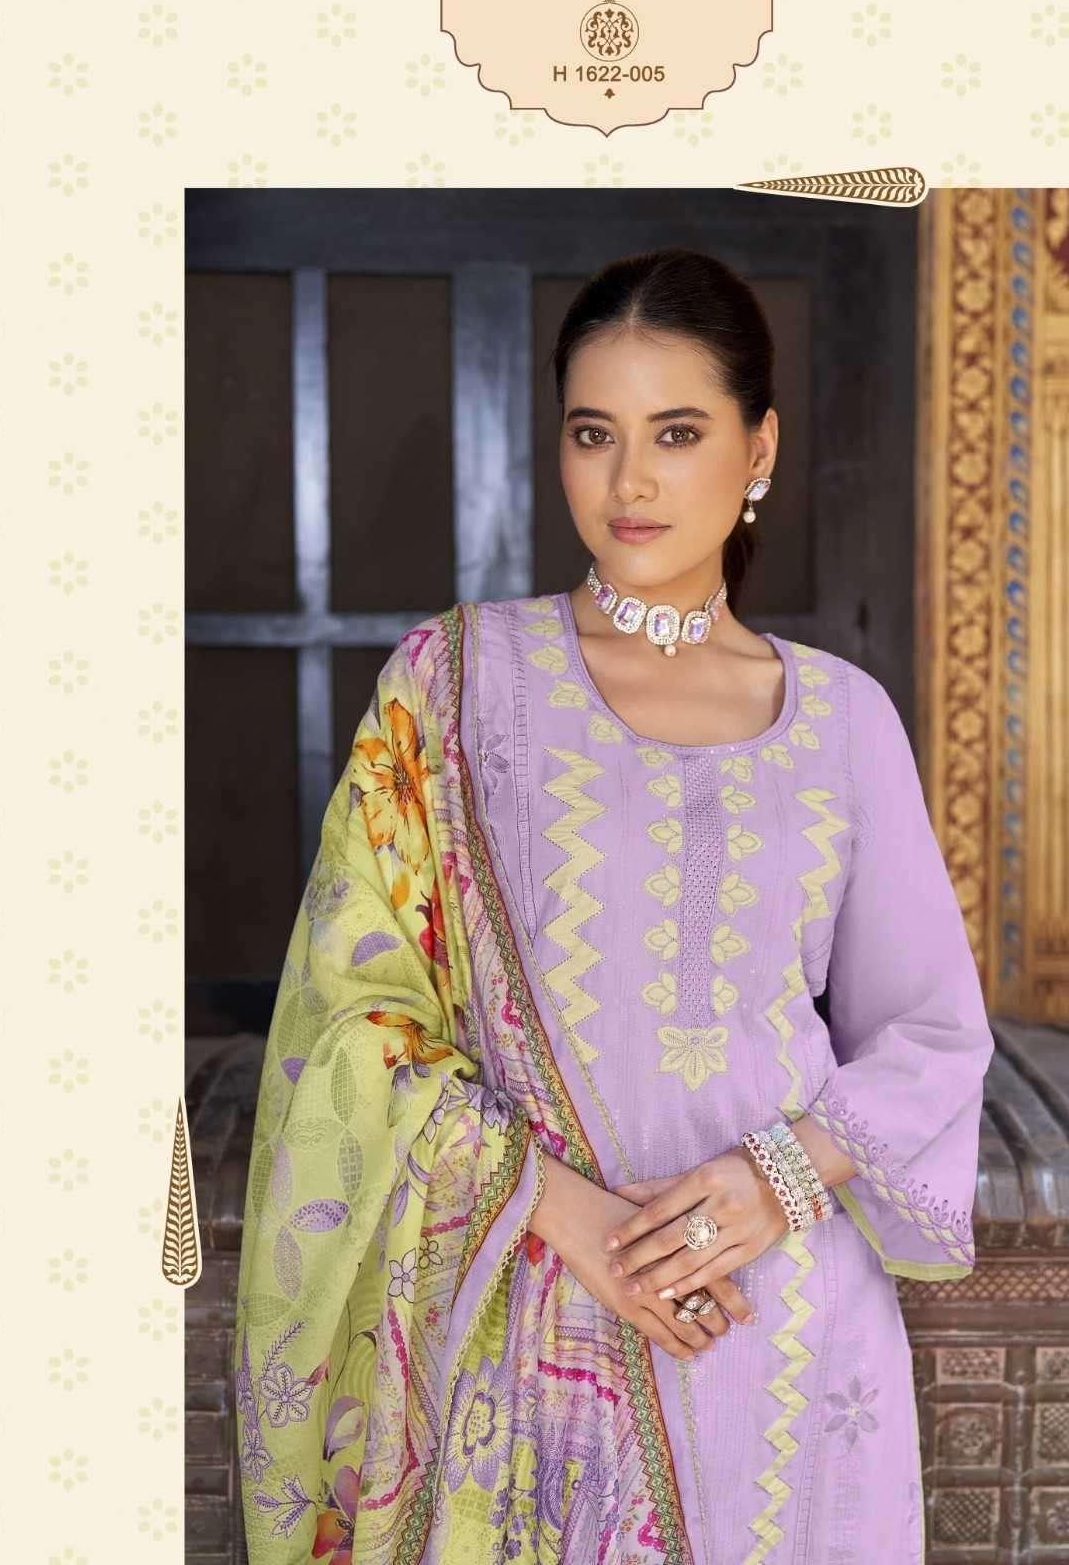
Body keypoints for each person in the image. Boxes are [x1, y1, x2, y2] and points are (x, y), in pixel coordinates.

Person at [233, 247, 994, 1563]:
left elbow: (931, 1035)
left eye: (677, 433)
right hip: (522, 1309)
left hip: (782, 1329)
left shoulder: (842, 720)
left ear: (759, 448)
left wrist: (772, 1184)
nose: (630, 480)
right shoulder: (454, 683)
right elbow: (352, 1017)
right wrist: (566, 1214)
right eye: (595, 433)